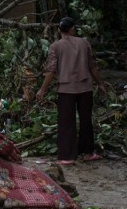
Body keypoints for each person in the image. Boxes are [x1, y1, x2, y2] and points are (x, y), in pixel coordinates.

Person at [36, 16, 107, 165]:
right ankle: (87, 153)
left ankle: (67, 156)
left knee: (66, 122)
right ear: (72, 29)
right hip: (85, 87)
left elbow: (50, 71)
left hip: (66, 89)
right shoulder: (84, 43)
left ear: (59, 30)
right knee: (86, 120)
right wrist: (100, 83)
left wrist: (42, 89)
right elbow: (92, 66)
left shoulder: (55, 46)